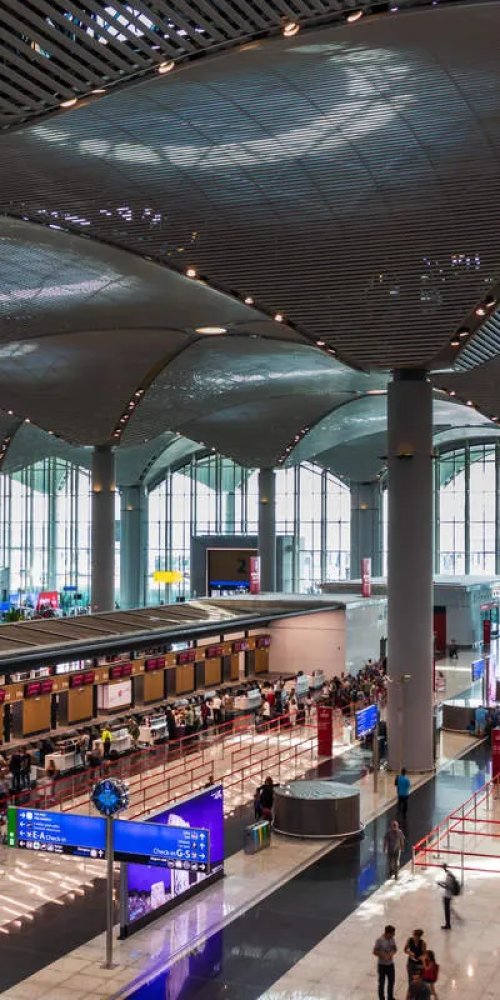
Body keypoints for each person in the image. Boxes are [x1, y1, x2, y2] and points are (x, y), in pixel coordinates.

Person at [373, 924, 397, 1000]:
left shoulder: (392, 939)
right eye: (393, 933)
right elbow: (374, 951)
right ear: (388, 933)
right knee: (381, 983)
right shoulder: (379, 940)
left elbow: (395, 948)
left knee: (391, 982)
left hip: (390, 965)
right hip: (382, 965)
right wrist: (383, 955)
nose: (394, 935)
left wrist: (391, 954)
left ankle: (390, 997)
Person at [438, 863, 460, 929]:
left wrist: (440, 885)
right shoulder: (450, 873)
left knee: (447, 910)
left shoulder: (448, 876)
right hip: (449, 895)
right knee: (448, 909)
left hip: (447, 895)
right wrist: (442, 882)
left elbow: (448, 887)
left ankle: (448, 924)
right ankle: (448, 923)